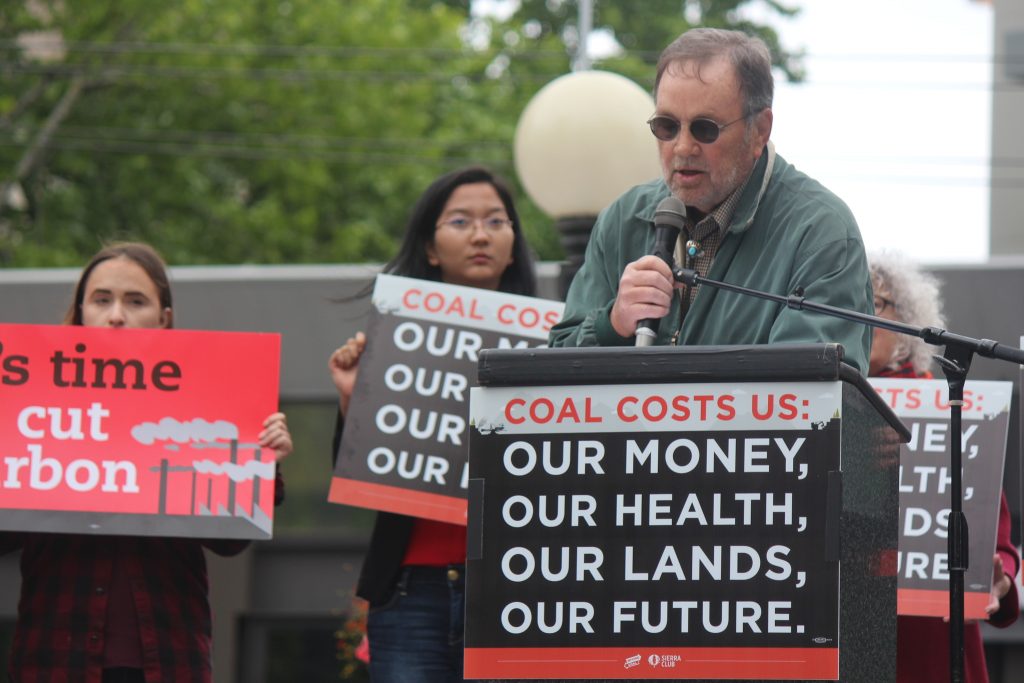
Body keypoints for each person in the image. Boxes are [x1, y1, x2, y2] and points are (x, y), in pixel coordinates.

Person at [1, 242, 292, 683]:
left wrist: (262, 460)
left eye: (135, 301)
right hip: (56, 657)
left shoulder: (207, 403)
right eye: (102, 299)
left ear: (164, 318)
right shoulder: (28, 406)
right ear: (80, 312)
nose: (116, 315)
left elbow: (230, 543)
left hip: (168, 660)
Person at [548, 28, 873, 373]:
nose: (683, 147)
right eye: (666, 126)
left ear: (759, 130)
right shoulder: (623, 219)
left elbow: (809, 397)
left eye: (705, 129)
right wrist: (611, 325)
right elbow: (547, 376)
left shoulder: (820, 233)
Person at [328, 166, 536, 682]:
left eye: (496, 221)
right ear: (431, 247)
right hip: (409, 593)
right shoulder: (391, 351)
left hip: (514, 594)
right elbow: (363, 478)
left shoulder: (555, 347)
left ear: (513, 243)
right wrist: (352, 400)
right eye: (461, 221)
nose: (482, 234)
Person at [868, 251, 1020, 683]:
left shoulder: (947, 405)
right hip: (844, 637)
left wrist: (1001, 581)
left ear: (910, 320)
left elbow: (999, 543)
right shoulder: (824, 406)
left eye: (874, 303)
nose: (860, 315)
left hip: (930, 647)